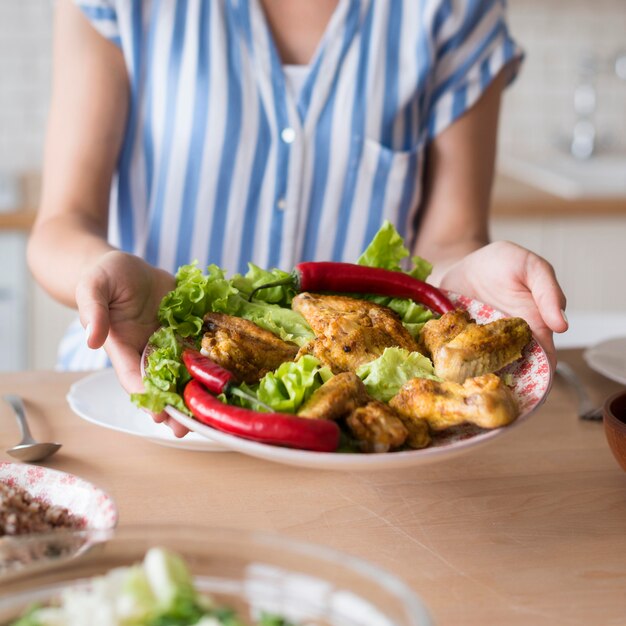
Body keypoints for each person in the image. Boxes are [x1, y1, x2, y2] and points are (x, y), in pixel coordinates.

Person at [28, 0, 568, 437]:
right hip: (141, 405)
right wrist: (99, 272)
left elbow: (451, 239)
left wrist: (464, 285)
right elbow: (60, 225)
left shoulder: (453, 13)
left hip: (357, 433)